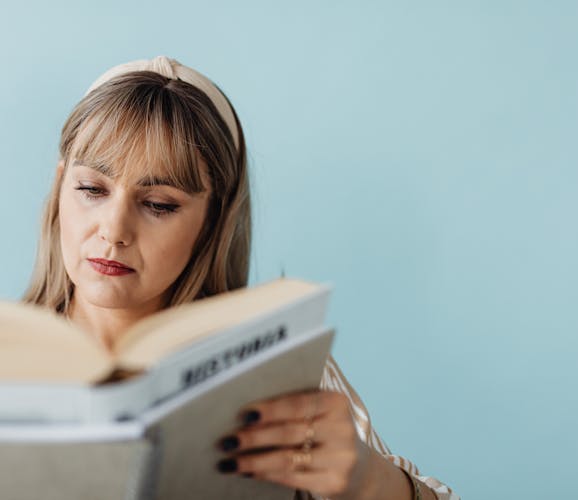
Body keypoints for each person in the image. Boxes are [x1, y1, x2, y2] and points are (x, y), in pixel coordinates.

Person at [22, 56, 458, 500]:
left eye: (159, 204)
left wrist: (368, 480)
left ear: (213, 222)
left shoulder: (282, 376)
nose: (114, 231)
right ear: (60, 189)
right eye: (92, 190)